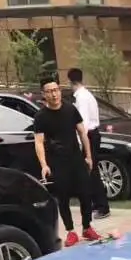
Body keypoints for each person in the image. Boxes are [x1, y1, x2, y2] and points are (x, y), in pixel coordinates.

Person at [33, 75, 99, 247]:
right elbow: (38, 142)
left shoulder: (70, 109)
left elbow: (82, 133)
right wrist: (44, 164)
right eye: (49, 91)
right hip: (57, 162)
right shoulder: (41, 117)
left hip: (76, 158)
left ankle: (87, 227)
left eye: (56, 90)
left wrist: (88, 156)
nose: (54, 94)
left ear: (60, 91)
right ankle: (71, 231)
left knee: (86, 194)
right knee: (63, 198)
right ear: (44, 94)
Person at [68, 67, 110, 219]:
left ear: (70, 81)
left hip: (89, 136)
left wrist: (81, 142)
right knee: (89, 171)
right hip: (92, 135)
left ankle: (102, 206)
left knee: (91, 171)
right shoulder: (86, 95)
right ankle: (96, 203)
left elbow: (83, 123)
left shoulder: (82, 98)